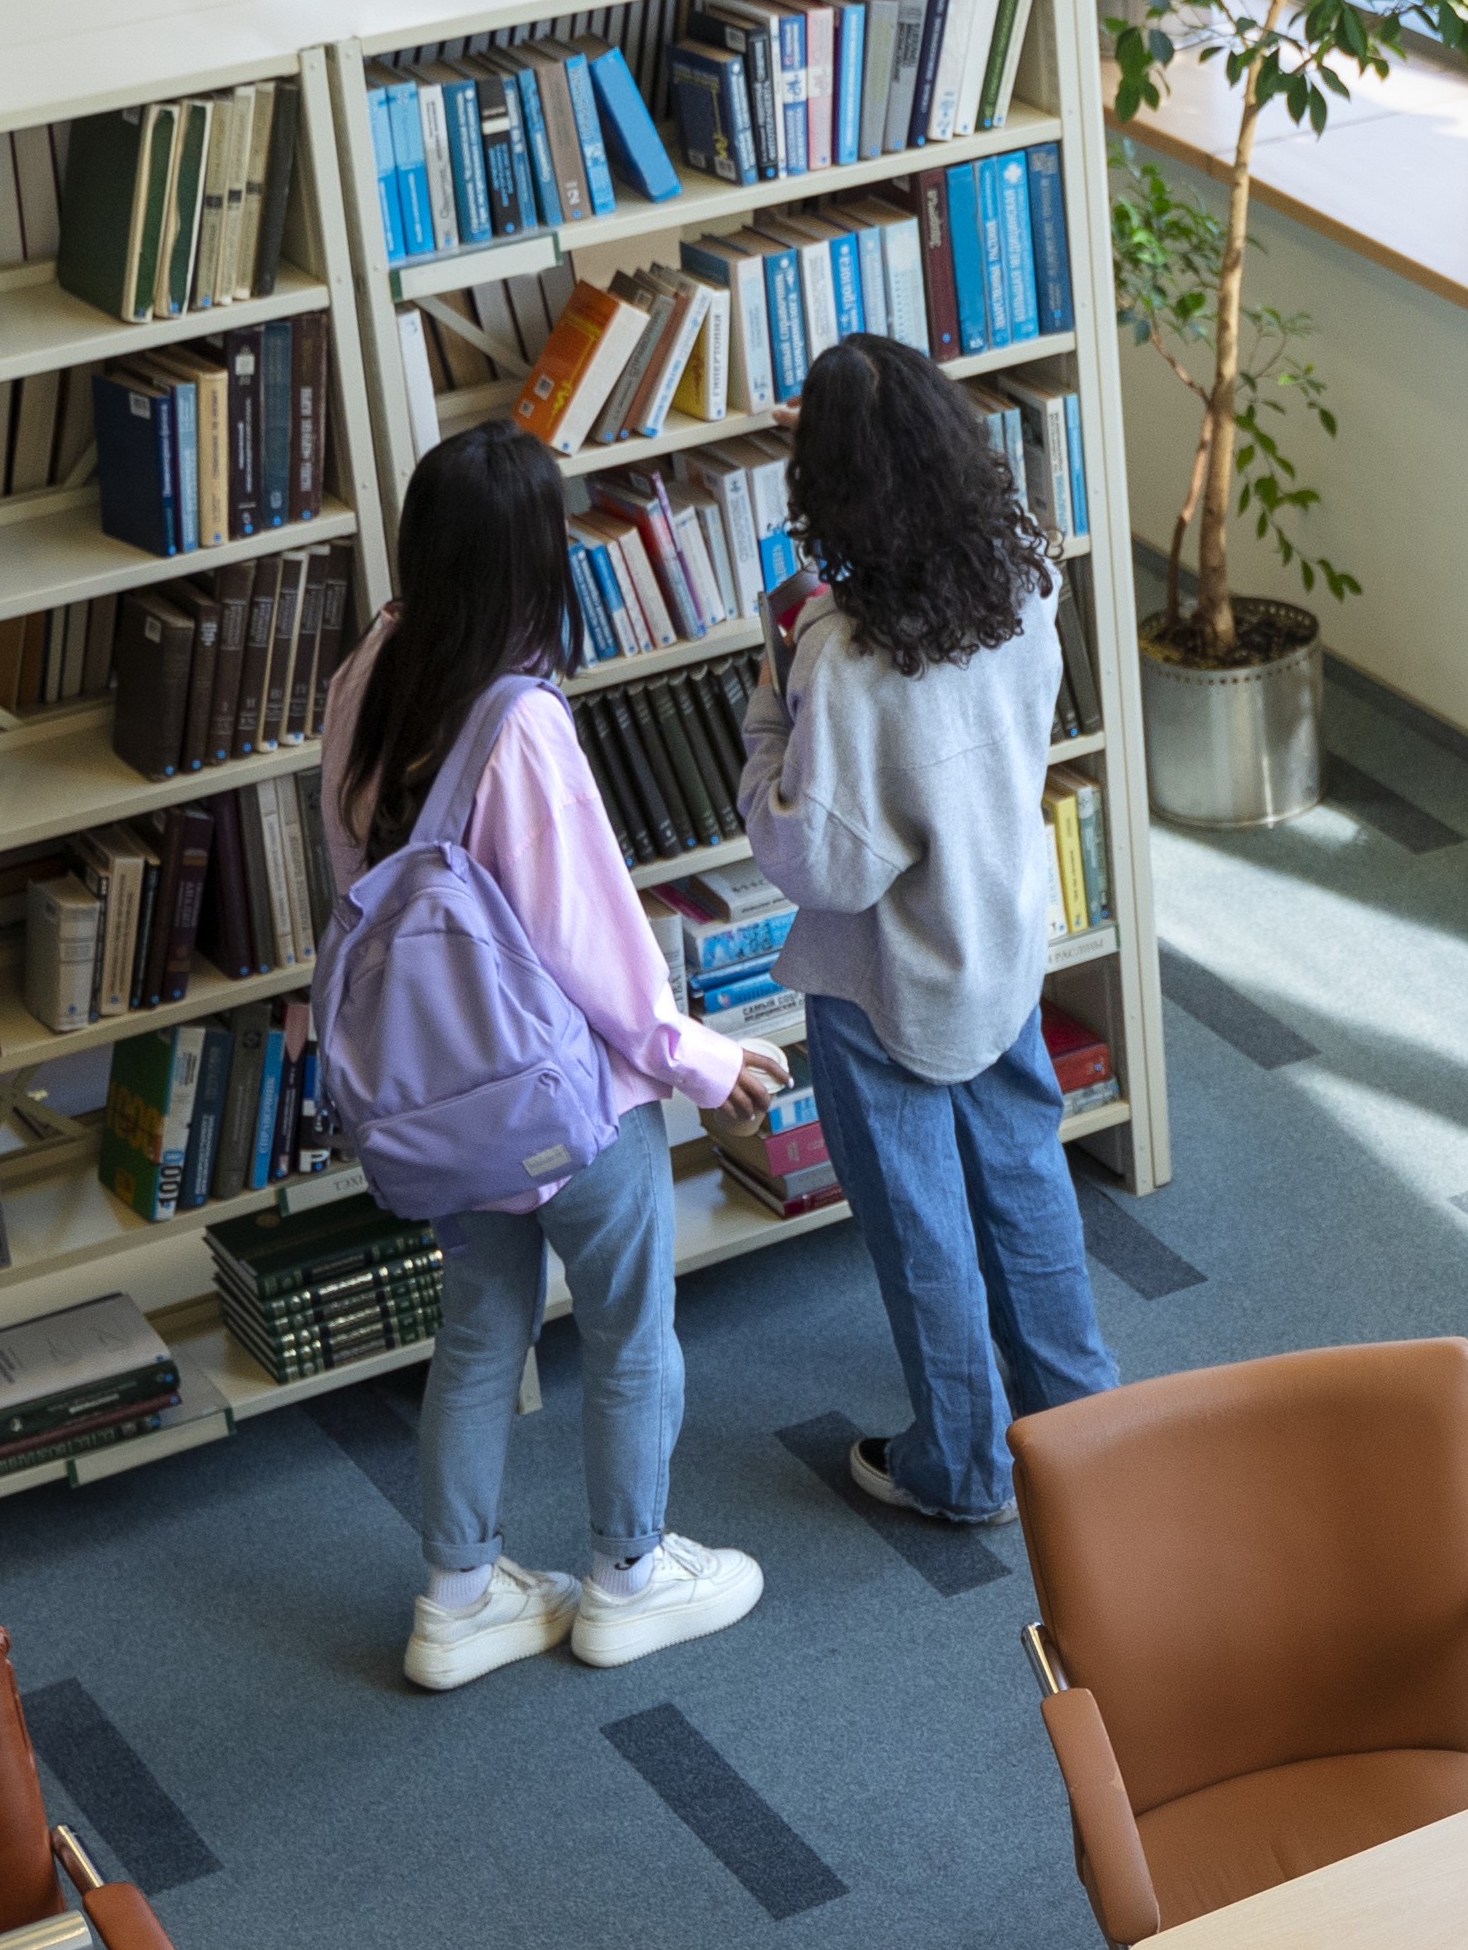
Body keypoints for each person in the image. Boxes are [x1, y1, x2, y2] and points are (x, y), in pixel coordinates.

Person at [322, 419, 786, 1689]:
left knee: (481, 1329)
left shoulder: (367, 669)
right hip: (557, 1109)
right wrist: (702, 1059)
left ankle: (457, 1599)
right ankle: (627, 1581)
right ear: (534, 564)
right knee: (632, 1323)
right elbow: (591, 944)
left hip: (432, 1106)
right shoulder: (517, 723)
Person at [739, 332, 1117, 1525]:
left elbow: (821, 860)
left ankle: (961, 1466)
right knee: (1023, 1175)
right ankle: (1089, 1431)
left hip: (883, 980)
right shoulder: (1024, 578)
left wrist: (769, 703)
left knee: (920, 1227)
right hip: (999, 937)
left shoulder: (840, 659)